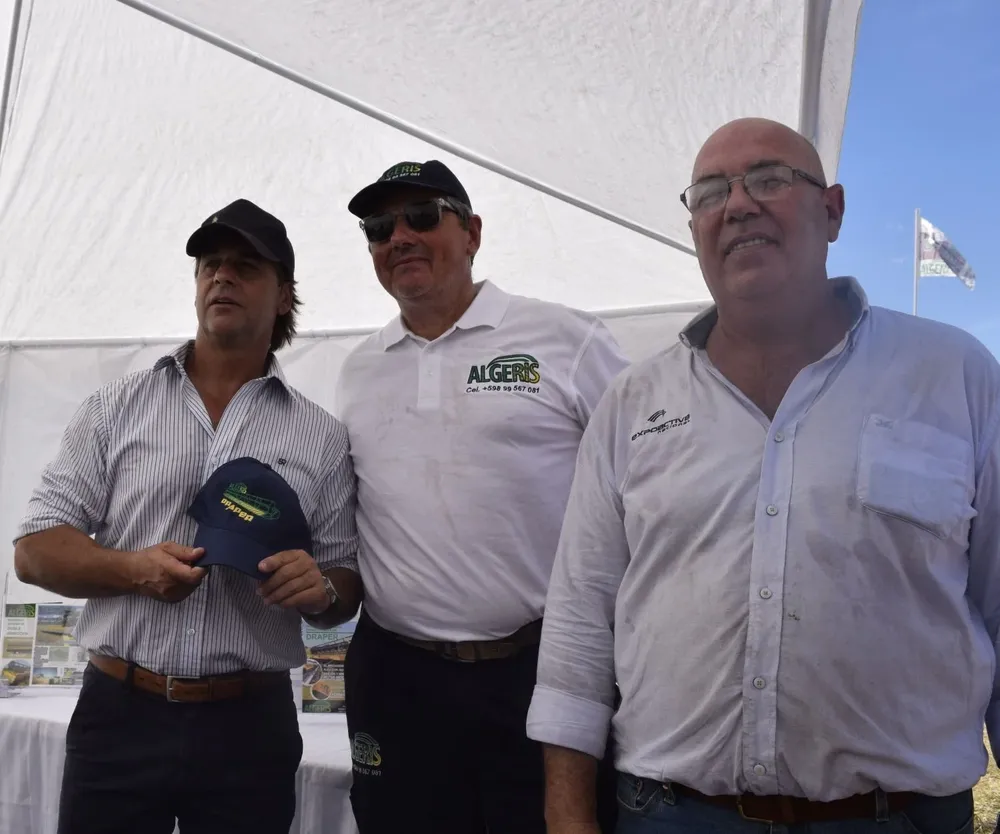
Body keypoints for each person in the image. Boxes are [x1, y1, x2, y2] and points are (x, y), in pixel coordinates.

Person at [527, 117, 1000, 834]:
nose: (738, 203)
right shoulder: (633, 401)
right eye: (711, 192)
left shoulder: (956, 375)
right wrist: (567, 818)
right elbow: (579, 623)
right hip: (670, 815)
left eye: (771, 179)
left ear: (832, 210)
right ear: (694, 228)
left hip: (897, 818)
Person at [14, 198, 362, 834]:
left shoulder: (323, 436)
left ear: (284, 295)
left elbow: (344, 585)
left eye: (244, 266)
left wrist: (322, 589)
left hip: (249, 724)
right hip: (119, 712)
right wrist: (131, 570)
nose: (221, 277)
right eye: (209, 264)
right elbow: (34, 550)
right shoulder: (114, 409)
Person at [336, 159, 630, 833]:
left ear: (470, 231)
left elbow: (643, 479)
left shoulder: (566, 338)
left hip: (535, 670)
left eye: (421, 216)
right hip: (396, 677)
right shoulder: (358, 369)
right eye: (380, 227)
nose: (399, 236)